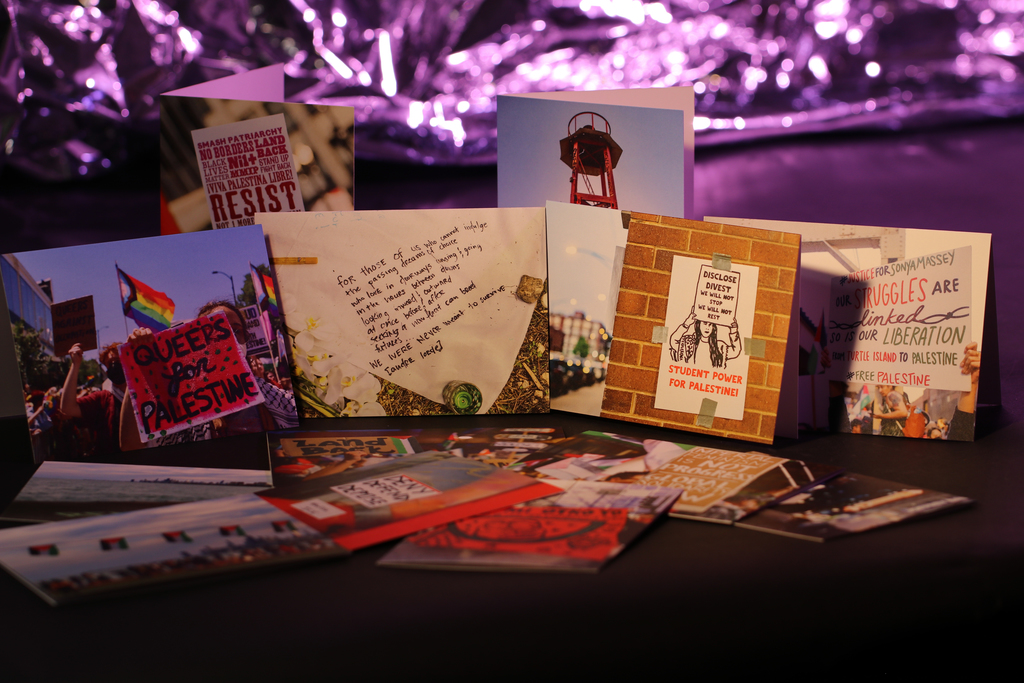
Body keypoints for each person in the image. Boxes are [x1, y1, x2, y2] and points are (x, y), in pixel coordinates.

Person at [119, 300, 298, 450]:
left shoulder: (274, 399)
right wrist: (135, 368)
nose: (229, 336)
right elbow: (130, 446)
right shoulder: (183, 405)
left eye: (236, 331)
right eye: (217, 330)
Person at [58, 341, 128, 458]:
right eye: (110, 363)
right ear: (107, 371)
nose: (115, 366)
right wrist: (75, 364)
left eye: (118, 360)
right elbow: (67, 408)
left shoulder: (145, 392)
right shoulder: (102, 399)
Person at [669, 307, 742, 369]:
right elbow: (673, 341)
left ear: (713, 328)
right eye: (705, 323)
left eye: (710, 325)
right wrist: (686, 323)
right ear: (699, 325)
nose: (707, 327)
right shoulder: (688, 342)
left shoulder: (720, 346)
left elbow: (735, 351)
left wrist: (734, 330)